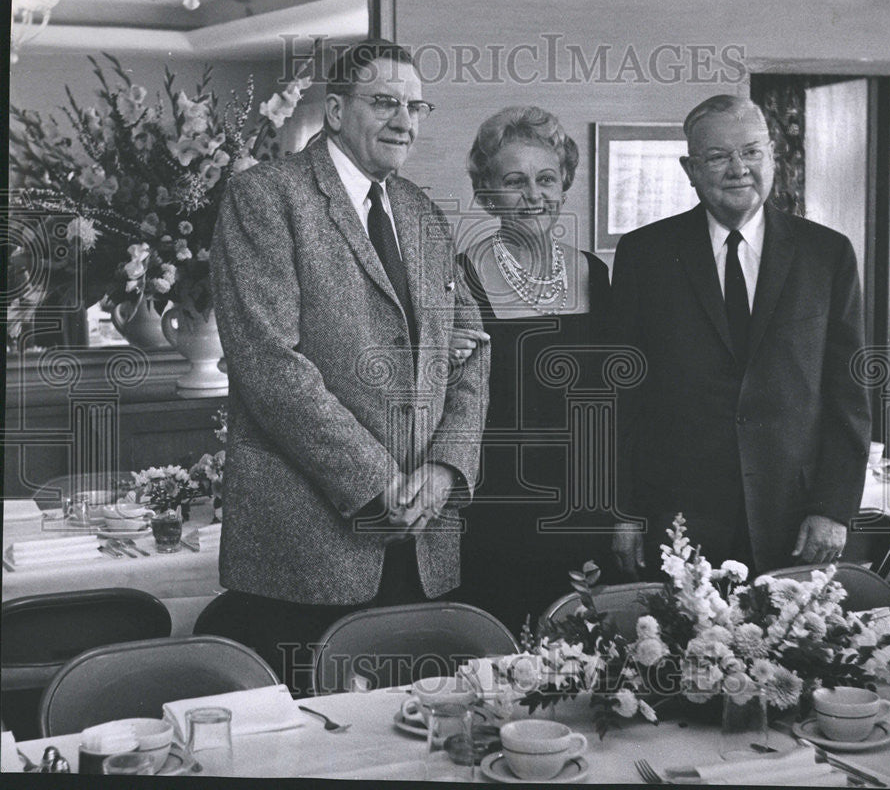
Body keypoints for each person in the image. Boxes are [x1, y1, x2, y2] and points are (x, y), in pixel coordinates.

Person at [208, 41, 489, 694]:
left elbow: (475, 344)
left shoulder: (420, 210)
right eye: (384, 102)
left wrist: (447, 466)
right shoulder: (267, 198)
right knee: (310, 746)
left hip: (421, 541)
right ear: (334, 110)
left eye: (415, 106)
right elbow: (270, 366)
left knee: (413, 740)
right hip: (308, 544)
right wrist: (377, 480)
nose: (405, 121)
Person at [611, 94, 871, 579]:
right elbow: (625, 396)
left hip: (793, 518)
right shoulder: (643, 255)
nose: (738, 169)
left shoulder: (827, 255)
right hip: (678, 519)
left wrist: (833, 507)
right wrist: (625, 511)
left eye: (751, 152)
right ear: (689, 168)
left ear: (773, 155)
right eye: (717, 156)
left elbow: (848, 395)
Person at [453, 106, 612, 631]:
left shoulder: (597, 272)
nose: (534, 195)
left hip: (588, 507)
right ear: (485, 193)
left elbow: (622, 401)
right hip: (501, 510)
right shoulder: (459, 279)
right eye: (514, 181)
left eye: (546, 179)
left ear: (564, 184)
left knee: (592, 656)